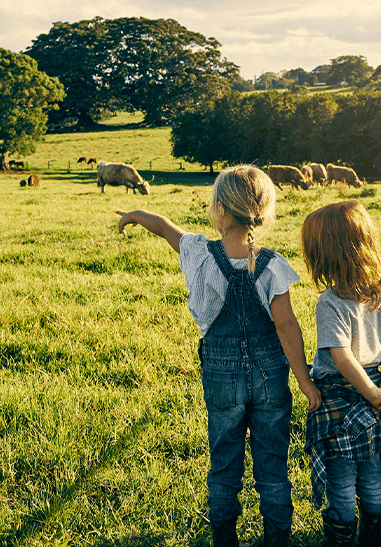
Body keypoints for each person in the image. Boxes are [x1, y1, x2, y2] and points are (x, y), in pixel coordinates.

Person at [116, 164, 321, 547]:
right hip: (270, 376)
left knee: (224, 464)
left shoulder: (198, 253)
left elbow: (162, 226)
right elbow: (286, 326)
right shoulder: (273, 264)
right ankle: (278, 540)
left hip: (221, 375)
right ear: (263, 210)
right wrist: (305, 381)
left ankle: (224, 540)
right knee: (273, 466)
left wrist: (133, 215)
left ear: (219, 210)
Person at [300, 201, 381, 547]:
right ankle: (372, 535)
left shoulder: (330, 302)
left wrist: (373, 393)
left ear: (324, 255)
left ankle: (342, 538)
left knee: (342, 474)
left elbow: (342, 358)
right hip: (376, 389)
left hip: (342, 396)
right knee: (373, 469)